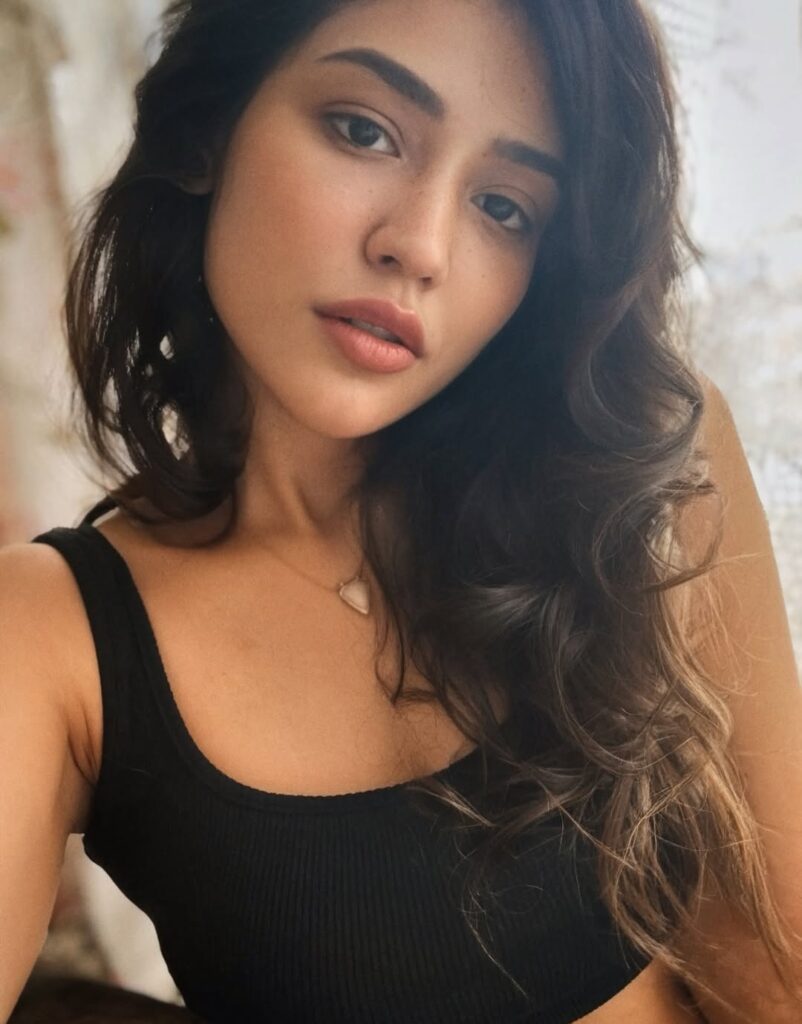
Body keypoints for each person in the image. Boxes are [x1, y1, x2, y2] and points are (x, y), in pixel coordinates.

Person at [1, 0, 800, 1021]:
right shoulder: (53, 638)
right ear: (210, 127)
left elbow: (777, 965)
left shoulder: (638, 467)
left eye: (504, 206)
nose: (420, 246)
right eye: (364, 130)